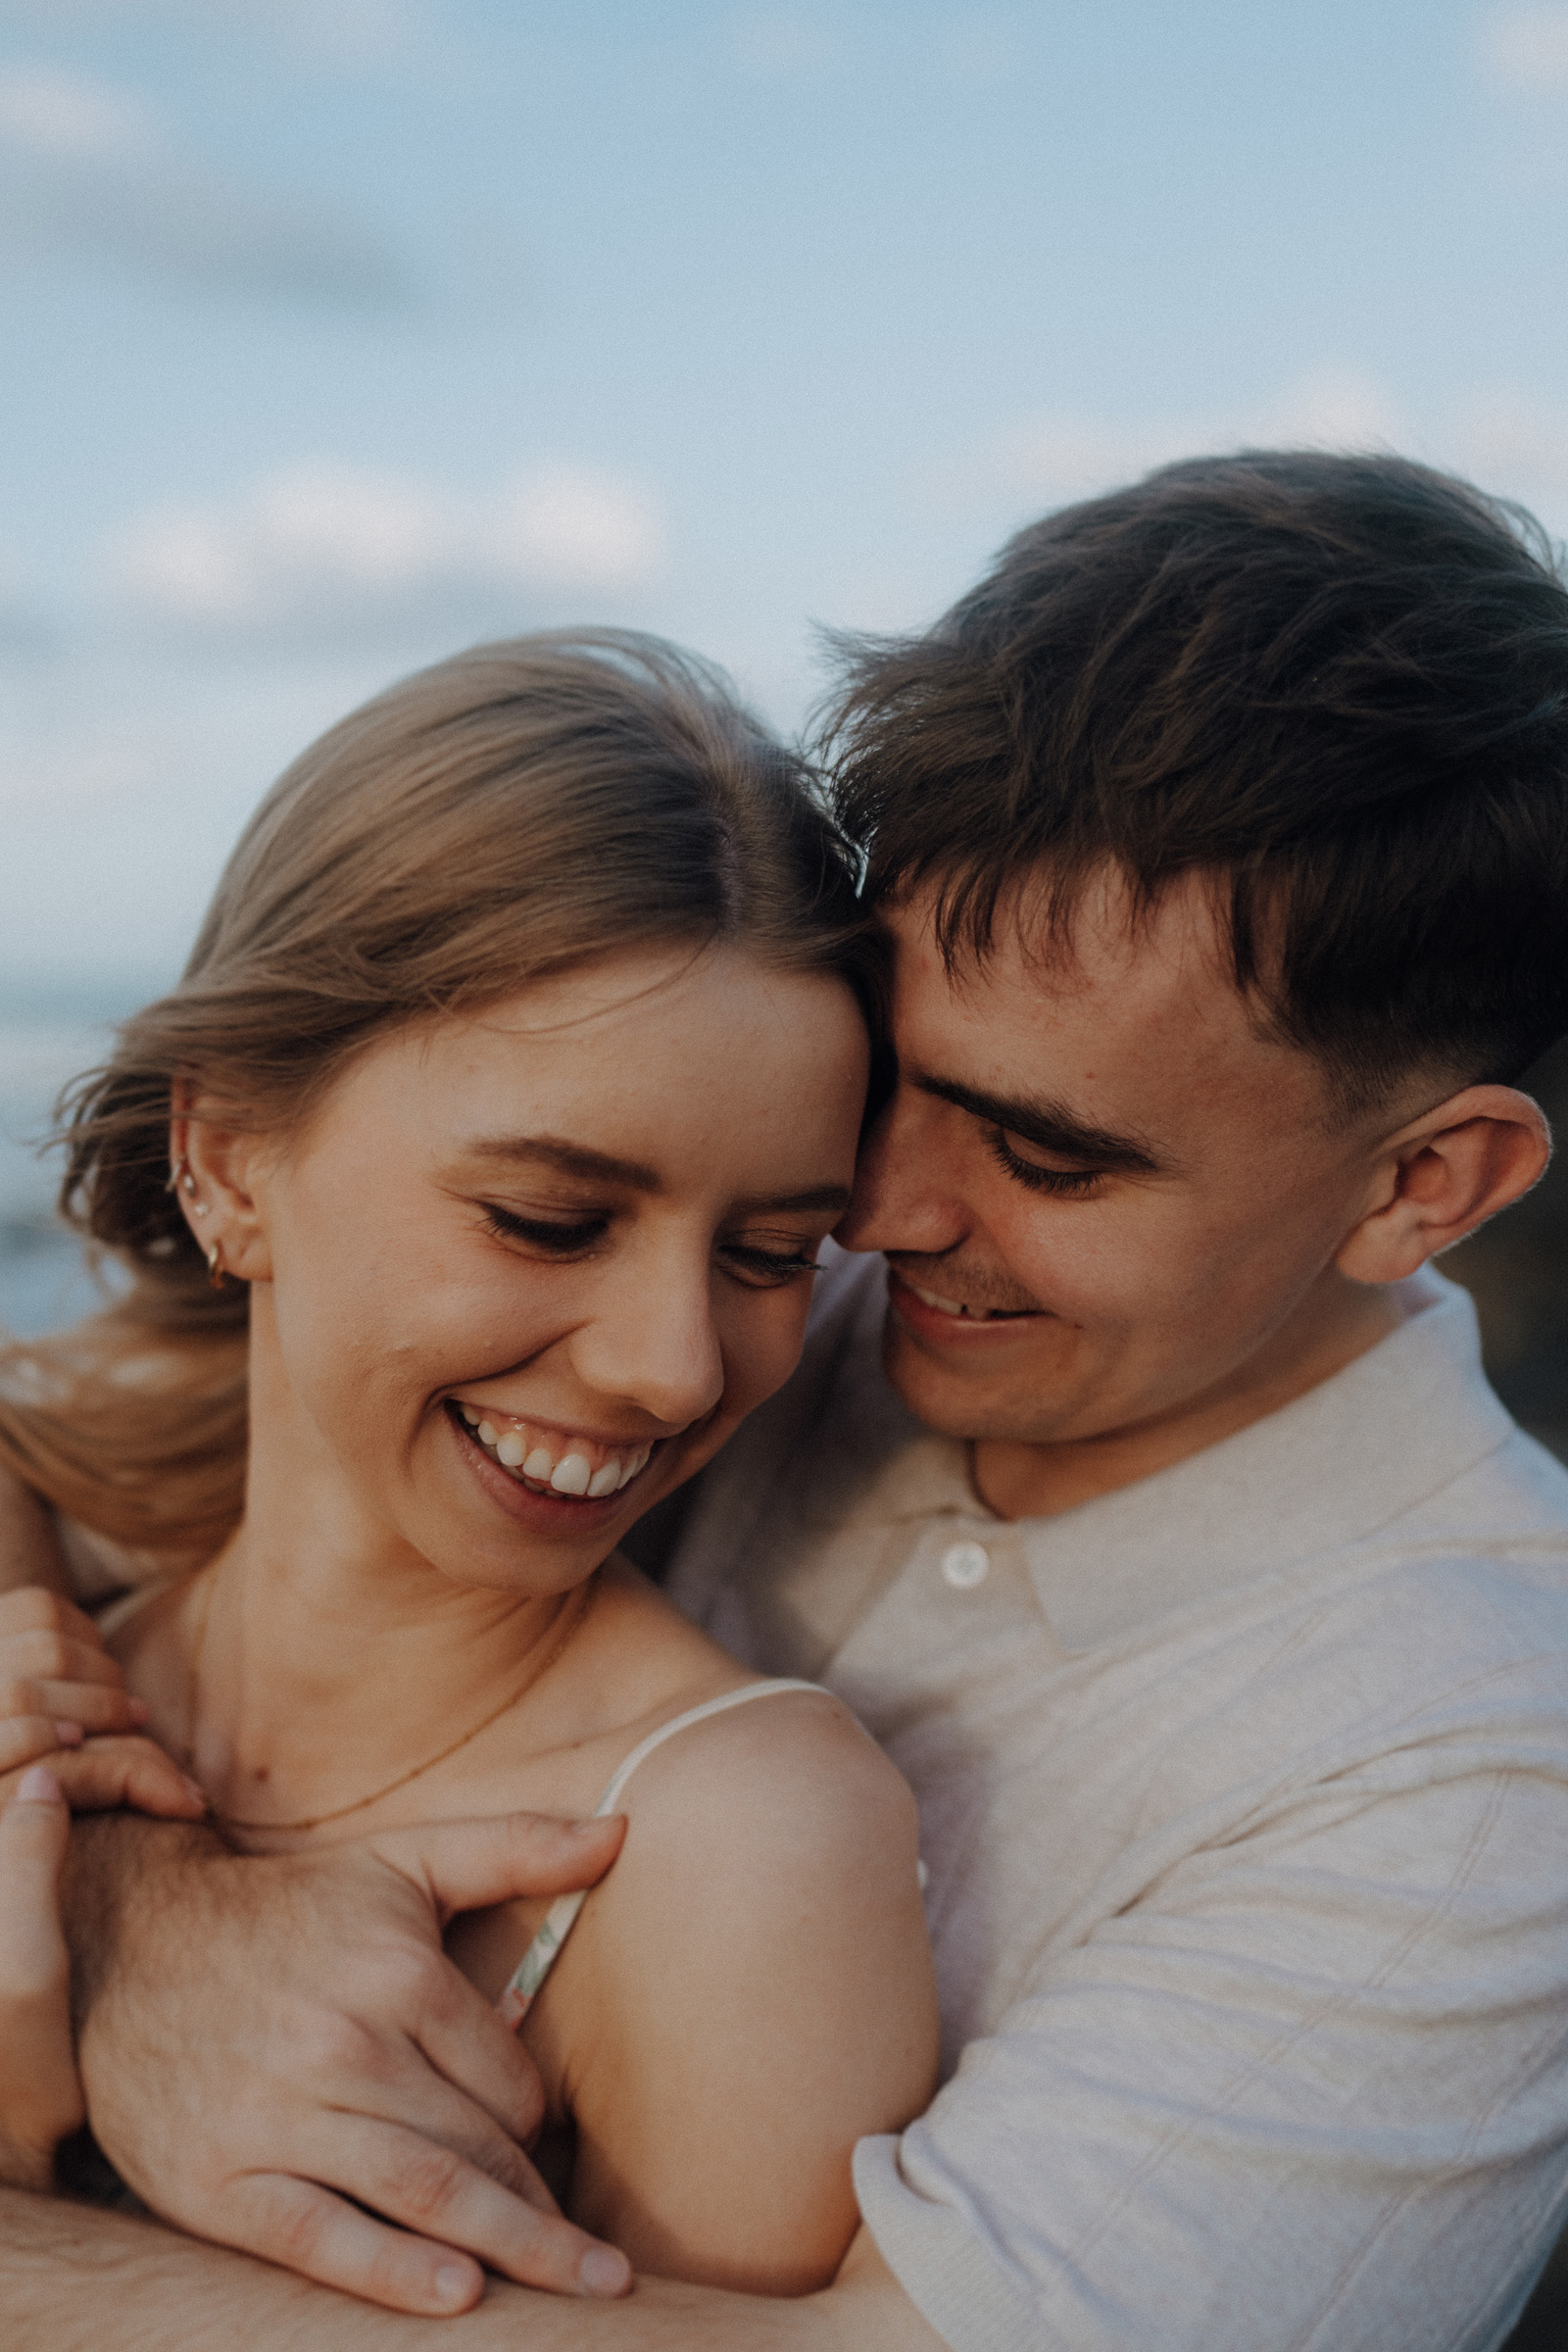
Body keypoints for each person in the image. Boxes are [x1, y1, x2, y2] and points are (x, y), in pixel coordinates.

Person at [4, 447, 1568, 2352]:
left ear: (1424, 1186)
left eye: (1048, 1158)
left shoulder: (1481, 1764)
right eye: (887, 1084)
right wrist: (133, 1893)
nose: (874, 1221)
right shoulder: (785, 1274)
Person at [0, 632, 938, 2314]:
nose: (673, 1364)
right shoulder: (58, 1662)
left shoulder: (734, 1841)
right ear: (224, 1164)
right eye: (549, 1218)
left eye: (774, 1253)